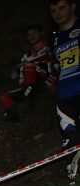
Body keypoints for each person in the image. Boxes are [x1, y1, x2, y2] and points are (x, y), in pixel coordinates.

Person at [1, 24, 52, 121]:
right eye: (29, 34)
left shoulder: (49, 47)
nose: (31, 36)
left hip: (46, 80)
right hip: (28, 86)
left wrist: (25, 64)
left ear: (41, 33)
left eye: (34, 33)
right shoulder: (26, 55)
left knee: (29, 67)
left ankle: (28, 104)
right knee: (4, 95)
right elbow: (17, 74)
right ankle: (11, 114)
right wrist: (17, 69)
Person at [50, 0, 80, 162]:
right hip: (64, 97)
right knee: (71, 143)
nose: (58, 13)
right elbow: (55, 66)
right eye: (54, 10)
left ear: (73, 6)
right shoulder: (54, 38)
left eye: (62, 7)